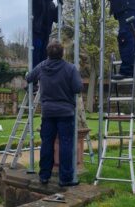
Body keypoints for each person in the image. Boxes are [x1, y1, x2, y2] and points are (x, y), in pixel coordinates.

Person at [26, 40, 83, 186]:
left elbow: (29, 78)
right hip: (66, 112)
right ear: (62, 53)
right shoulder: (70, 68)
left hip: (48, 112)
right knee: (66, 144)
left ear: (48, 53)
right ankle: (65, 179)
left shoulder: (41, 66)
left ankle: (44, 176)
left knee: (47, 144)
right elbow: (77, 88)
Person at [109, 0, 135, 78]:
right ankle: (132, 70)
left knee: (125, 37)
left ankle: (127, 71)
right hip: (128, 7)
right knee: (131, 38)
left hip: (128, 6)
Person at [33, 0, 62, 68]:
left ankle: (42, 73)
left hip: (46, 34)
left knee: (44, 54)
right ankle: (34, 73)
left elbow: (56, 19)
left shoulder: (52, 4)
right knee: (36, 52)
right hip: (37, 32)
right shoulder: (38, 1)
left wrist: (60, 6)